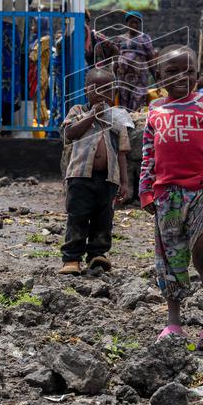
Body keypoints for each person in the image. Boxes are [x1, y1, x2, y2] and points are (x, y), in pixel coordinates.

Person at [139, 45, 203, 348]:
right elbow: (148, 155)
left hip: (201, 194)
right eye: (171, 71)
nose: (181, 77)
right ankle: (174, 322)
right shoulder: (155, 111)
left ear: (197, 73)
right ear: (158, 76)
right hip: (167, 197)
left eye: (188, 71)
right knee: (170, 259)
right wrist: (146, 190)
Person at [58, 67, 131, 275]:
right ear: (86, 90)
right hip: (80, 177)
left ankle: (97, 255)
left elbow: (122, 152)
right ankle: (72, 258)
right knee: (78, 216)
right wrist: (92, 115)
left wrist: (124, 182)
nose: (101, 93)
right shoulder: (77, 111)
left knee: (104, 218)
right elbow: (70, 133)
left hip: (108, 178)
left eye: (107, 89)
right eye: (96, 88)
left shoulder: (117, 117)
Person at [115, 11, 155, 111]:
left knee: (138, 102)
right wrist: (114, 76)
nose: (133, 25)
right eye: (131, 22)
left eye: (136, 23)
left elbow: (150, 58)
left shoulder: (145, 38)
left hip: (140, 78)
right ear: (126, 23)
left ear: (139, 24)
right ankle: (124, 126)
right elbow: (115, 58)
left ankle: (136, 125)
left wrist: (156, 76)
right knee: (123, 104)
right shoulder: (120, 39)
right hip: (123, 78)